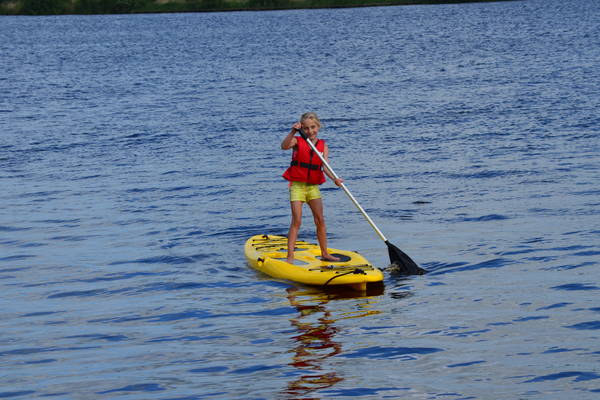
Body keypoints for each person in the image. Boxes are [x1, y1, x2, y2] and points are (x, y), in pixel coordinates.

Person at [281, 112, 344, 264]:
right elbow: (283, 146)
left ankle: (325, 253)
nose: (310, 131)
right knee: (296, 221)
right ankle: (290, 256)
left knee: (320, 220)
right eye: (307, 128)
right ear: (302, 129)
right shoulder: (296, 141)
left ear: (318, 126)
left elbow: (325, 166)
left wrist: (335, 179)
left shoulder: (323, 145)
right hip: (297, 187)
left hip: (312, 188)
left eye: (313, 127)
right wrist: (293, 131)